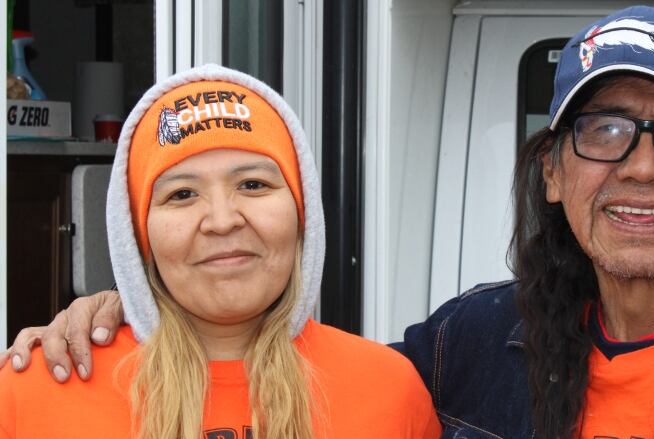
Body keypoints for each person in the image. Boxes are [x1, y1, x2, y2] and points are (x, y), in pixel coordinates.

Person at [4, 5, 654, 438]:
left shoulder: (391, 386)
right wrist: (122, 307)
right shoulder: (463, 349)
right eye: (603, 131)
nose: (643, 166)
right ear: (551, 171)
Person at [0, 64, 441, 438]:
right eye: (182, 194)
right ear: (140, 237)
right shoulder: (39, 387)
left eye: (253, 185)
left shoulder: (390, 391)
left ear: (302, 212)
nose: (222, 219)